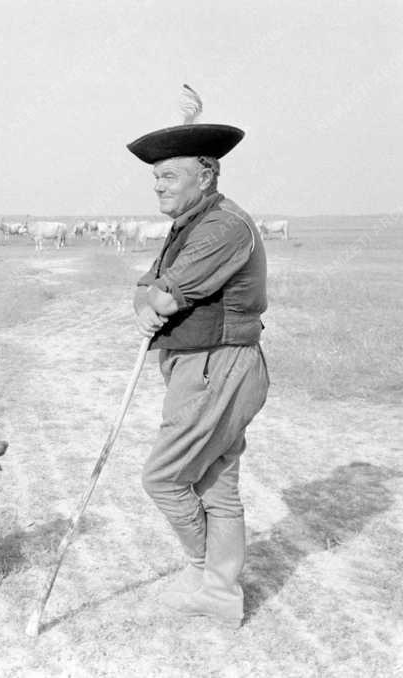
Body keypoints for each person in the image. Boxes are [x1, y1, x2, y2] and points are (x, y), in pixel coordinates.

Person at [127, 117, 269, 628]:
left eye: (169, 175)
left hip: (218, 365)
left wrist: (153, 300)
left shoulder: (223, 226)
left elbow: (164, 295)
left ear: (206, 174)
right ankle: (222, 595)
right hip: (206, 365)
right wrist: (150, 298)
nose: (158, 186)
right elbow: (145, 288)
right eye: (156, 178)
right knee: (215, 486)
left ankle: (206, 574)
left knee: (163, 478)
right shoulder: (189, 224)